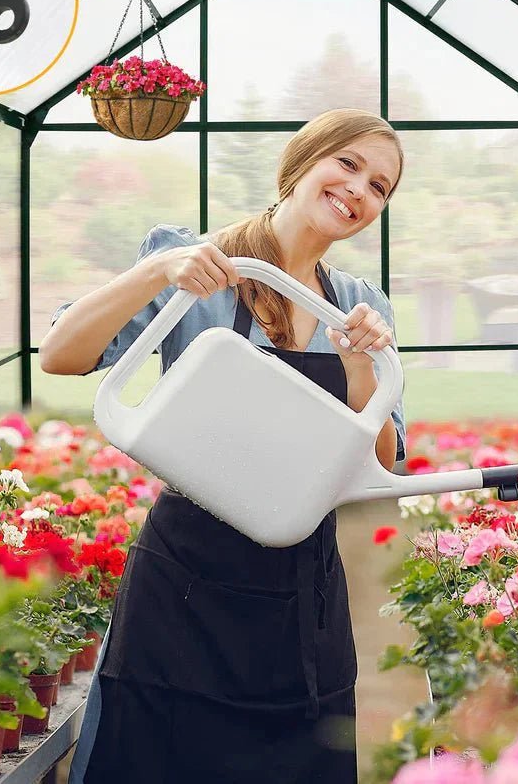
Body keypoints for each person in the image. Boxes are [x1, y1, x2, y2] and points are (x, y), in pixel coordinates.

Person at [40, 108, 407, 783]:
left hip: (302, 592)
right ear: (300, 164)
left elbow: (378, 467)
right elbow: (61, 356)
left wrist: (361, 369)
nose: (360, 189)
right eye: (348, 164)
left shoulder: (358, 305)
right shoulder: (199, 265)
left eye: (380, 185)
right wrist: (156, 272)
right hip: (183, 583)